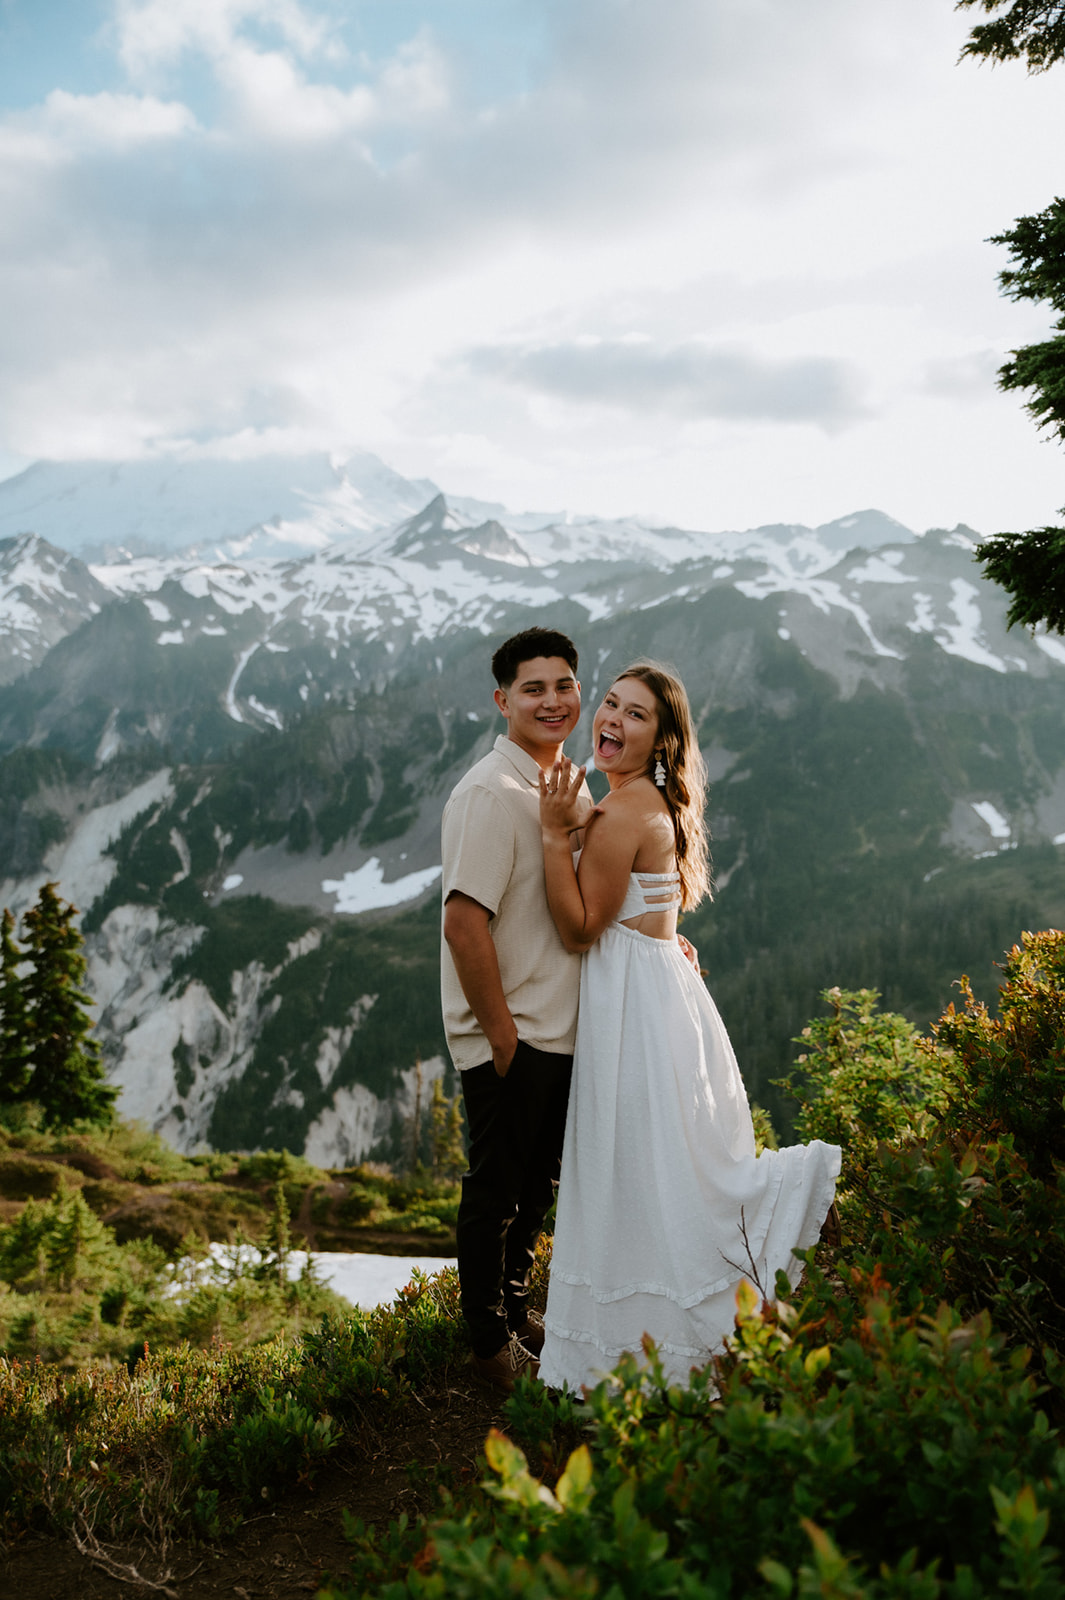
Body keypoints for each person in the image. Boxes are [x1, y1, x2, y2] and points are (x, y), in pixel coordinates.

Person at [536, 660, 841, 1391]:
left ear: (662, 740)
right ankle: (668, 1327)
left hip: (635, 1014)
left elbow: (580, 929)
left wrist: (554, 836)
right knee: (670, 1168)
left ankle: (646, 1340)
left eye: (635, 715)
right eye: (609, 704)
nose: (611, 720)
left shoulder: (621, 814)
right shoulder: (642, 803)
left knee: (635, 1172)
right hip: (657, 992)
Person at [441, 625, 593, 1393]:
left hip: (561, 1029)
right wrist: (500, 1039)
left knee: (537, 1189)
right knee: (496, 1193)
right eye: (532, 689)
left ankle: (511, 1307)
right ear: (502, 701)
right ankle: (485, 1346)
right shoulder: (488, 793)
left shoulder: (565, 782)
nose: (552, 700)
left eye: (563, 684)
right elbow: (463, 921)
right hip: (515, 1035)